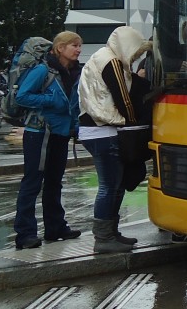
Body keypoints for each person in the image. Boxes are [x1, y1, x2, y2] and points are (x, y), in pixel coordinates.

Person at [78, 25, 152, 254]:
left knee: (115, 185)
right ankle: (103, 237)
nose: (135, 57)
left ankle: (111, 233)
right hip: (103, 131)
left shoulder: (100, 57)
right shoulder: (111, 62)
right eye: (135, 52)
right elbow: (123, 99)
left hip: (96, 130)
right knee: (110, 186)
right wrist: (133, 124)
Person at [12, 31, 83, 250]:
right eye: (74, 45)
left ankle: (55, 228)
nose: (78, 49)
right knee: (32, 182)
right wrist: (50, 100)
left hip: (60, 133)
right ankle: (25, 234)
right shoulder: (43, 69)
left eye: (80, 46)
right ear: (60, 48)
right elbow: (21, 96)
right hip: (39, 132)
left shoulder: (73, 72)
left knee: (54, 182)